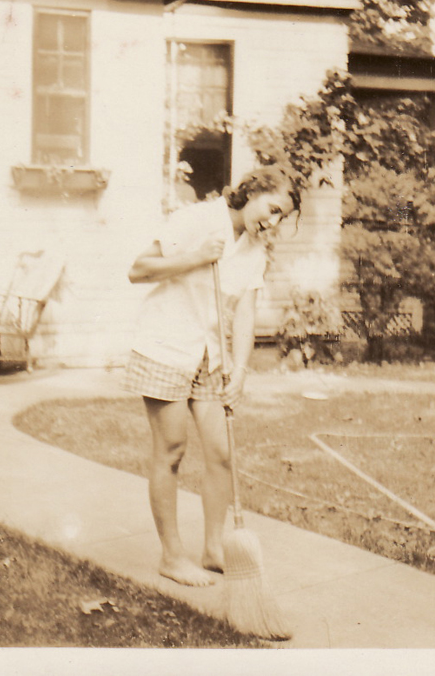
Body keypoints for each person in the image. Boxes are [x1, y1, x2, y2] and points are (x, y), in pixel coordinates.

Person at [122, 166, 301, 587]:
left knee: (221, 453)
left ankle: (215, 548)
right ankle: (171, 556)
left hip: (210, 356)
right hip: (165, 345)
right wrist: (196, 257)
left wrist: (239, 369)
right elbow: (138, 269)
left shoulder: (255, 246)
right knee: (171, 450)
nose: (272, 222)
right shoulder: (198, 219)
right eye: (272, 209)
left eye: (281, 217)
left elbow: (244, 311)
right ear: (253, 191)